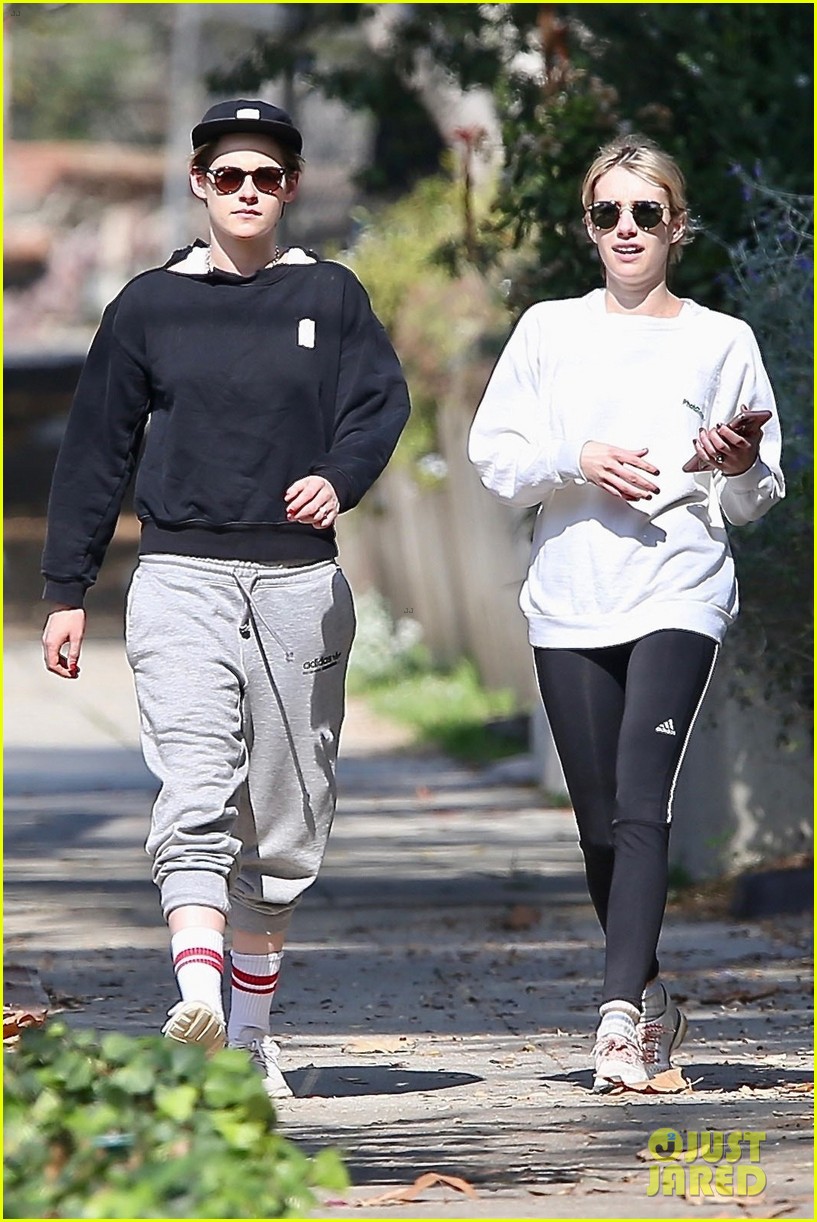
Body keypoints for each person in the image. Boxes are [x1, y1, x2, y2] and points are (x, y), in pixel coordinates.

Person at [41, 99, 410, 1098]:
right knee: (196, 787)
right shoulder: (149, 305)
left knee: (286, 819)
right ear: (200, 185)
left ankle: (251, 1037)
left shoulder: (330, 297)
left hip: (297, 584)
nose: (248, 192)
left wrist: (339, 475)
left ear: (290, 188)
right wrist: (67, 589)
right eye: (229, 175)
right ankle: (199, 994)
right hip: (180, 580)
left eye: (268, 176)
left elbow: (380, 403)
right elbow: (95, 450)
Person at [468, 134, 784, 1092]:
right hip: (568, 599)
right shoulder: (547, 331)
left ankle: (614, 1024)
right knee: (601, 821)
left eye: (646, 213)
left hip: (678, 591)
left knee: (645, 802)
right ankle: (650, 997)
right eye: (608, 213)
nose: (626, 230)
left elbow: (757, 492)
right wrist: (577, 457)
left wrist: (735, 465)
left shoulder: (721, 340)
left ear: (676, 225)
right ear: (588, 227)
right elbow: (496, 457)